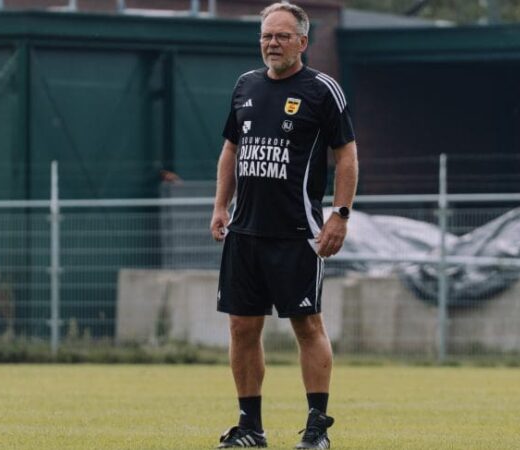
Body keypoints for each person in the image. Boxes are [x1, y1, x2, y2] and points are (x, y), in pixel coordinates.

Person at [210, 2, 358, 449]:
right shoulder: (245, 86)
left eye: (281, 36)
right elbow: (231, 151)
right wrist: (220, 206)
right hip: (245, 232)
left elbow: (346, 155)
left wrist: (340, 214)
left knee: (307, 326)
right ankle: (250, 428)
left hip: (298, 234)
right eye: (266, 36)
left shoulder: (321, 90)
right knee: (241, 328)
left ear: (302, 42)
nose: (272, 44)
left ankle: (316, 430)